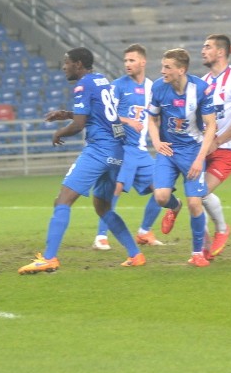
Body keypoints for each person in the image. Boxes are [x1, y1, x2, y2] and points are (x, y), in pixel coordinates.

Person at [19, 47, 145, 274]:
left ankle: (49, 258)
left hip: (98, 150)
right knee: (103, 207)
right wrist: (67, 114)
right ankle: (135, 254)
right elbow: (101, 113)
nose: (64, 67)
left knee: (62, 201)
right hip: (117, 151)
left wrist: (59, 132)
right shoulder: (101, 80)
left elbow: (79, 125)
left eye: (66, 62)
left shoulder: (82, 84)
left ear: (78, 64)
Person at [91, 44, 172, 251]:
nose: (127, 64)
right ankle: (101, 236)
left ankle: (144, 231)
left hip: (141, 150)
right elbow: (105, 113)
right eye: (126, 60)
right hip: (123, 148)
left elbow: (156, 115)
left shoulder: (152, 87)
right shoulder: (117, 86)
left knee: (162, 188)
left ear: (143, 62)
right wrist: (127, 121)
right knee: (115, 188)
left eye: (132, 60)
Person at [147, 48, 217, 267]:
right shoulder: (159, 87)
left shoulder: (201, 90)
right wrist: (157, 142)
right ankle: (174, 206)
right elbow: (151, 119)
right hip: (168, 150)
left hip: (192, 151)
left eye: (167, 67)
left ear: (181, 70)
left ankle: (197, 253)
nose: (162, 71)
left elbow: (211, 125)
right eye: (162, 66)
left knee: (195, 204)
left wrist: (199, 158)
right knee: (160, 197)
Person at [192, 34, 231, 258]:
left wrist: (218, 141)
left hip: (229, 146)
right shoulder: (202, 82)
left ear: (220, 52)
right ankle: (204, 245)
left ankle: (222, 230)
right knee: (194, 196)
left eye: (207, 47)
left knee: (200, 192)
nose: (202, 51)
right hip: (206, 145)